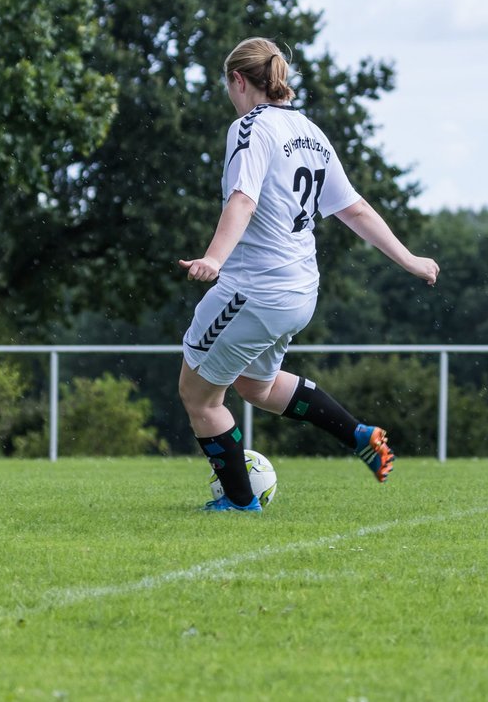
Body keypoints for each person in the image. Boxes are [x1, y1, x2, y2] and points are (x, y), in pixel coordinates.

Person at [178, 37, 440, 512]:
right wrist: (410, 259)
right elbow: (354, 208)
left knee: (198, 397)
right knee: (255, 386)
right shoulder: (309, 131)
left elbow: (243, 199)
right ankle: (359, 433)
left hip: (254, 290)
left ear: (239, 80)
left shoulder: (250, 127)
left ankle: (239, 501)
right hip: (299, 292)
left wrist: (214, 259)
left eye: (228, 86)